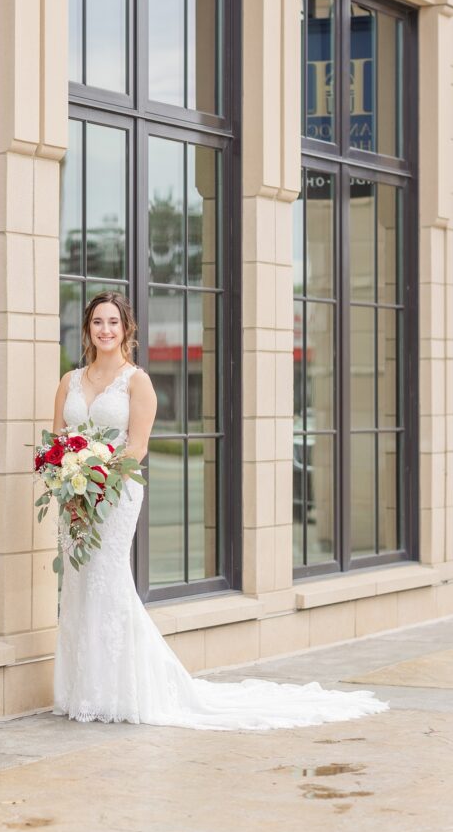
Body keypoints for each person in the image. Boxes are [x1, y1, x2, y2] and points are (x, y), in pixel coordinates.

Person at [51, 290, 390, 730]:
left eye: (113, 322)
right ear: (87, 329)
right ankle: (82, 689)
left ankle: (119, 691)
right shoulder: (69, 381)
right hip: (73, 495)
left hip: (116, 495)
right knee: (78, 583)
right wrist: (67, 475)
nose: (106, 330)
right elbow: (57, 438)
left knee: (107, 580)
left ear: (126, 328)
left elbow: (136, 448)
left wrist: (98, 479)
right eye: (98, 322)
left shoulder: (138, 382)